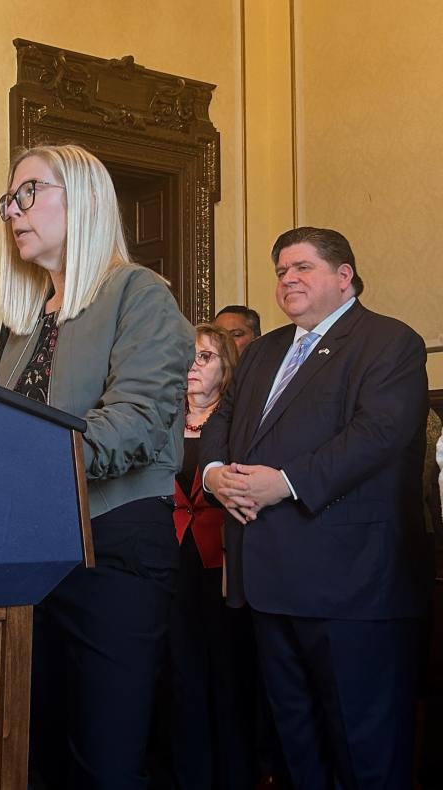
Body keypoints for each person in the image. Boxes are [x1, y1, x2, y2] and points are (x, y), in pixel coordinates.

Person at [0, 143, 194, 789]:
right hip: (32, 553)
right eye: (9, 199)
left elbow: (135, 422)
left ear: (81, 198)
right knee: (35, 752)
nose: (14, 210)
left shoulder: (139, 293)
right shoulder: (24, 321)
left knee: (105, 760)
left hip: (114, 549)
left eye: (30, 193)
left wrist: (24, 471)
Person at [200, 227, 429, 788]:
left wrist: (287, 482)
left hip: (351, 587)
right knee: (294, 743)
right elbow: (221, 420)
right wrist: (212, 475)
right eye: (280, 271)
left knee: (363, 749)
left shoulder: (389, 341)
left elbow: (379, 435)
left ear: (344, 275)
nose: (287, 280)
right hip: (268, 582)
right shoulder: (264, 352)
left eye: (301, 267)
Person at [168, 323, 257, 790]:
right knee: (181, 676)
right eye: (188, 356)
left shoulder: (237, 423)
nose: (192, 366)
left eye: (204, 357)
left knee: (227, 676)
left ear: (226, 369)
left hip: (222, 562)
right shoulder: (162, 417)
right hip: (170, 561)